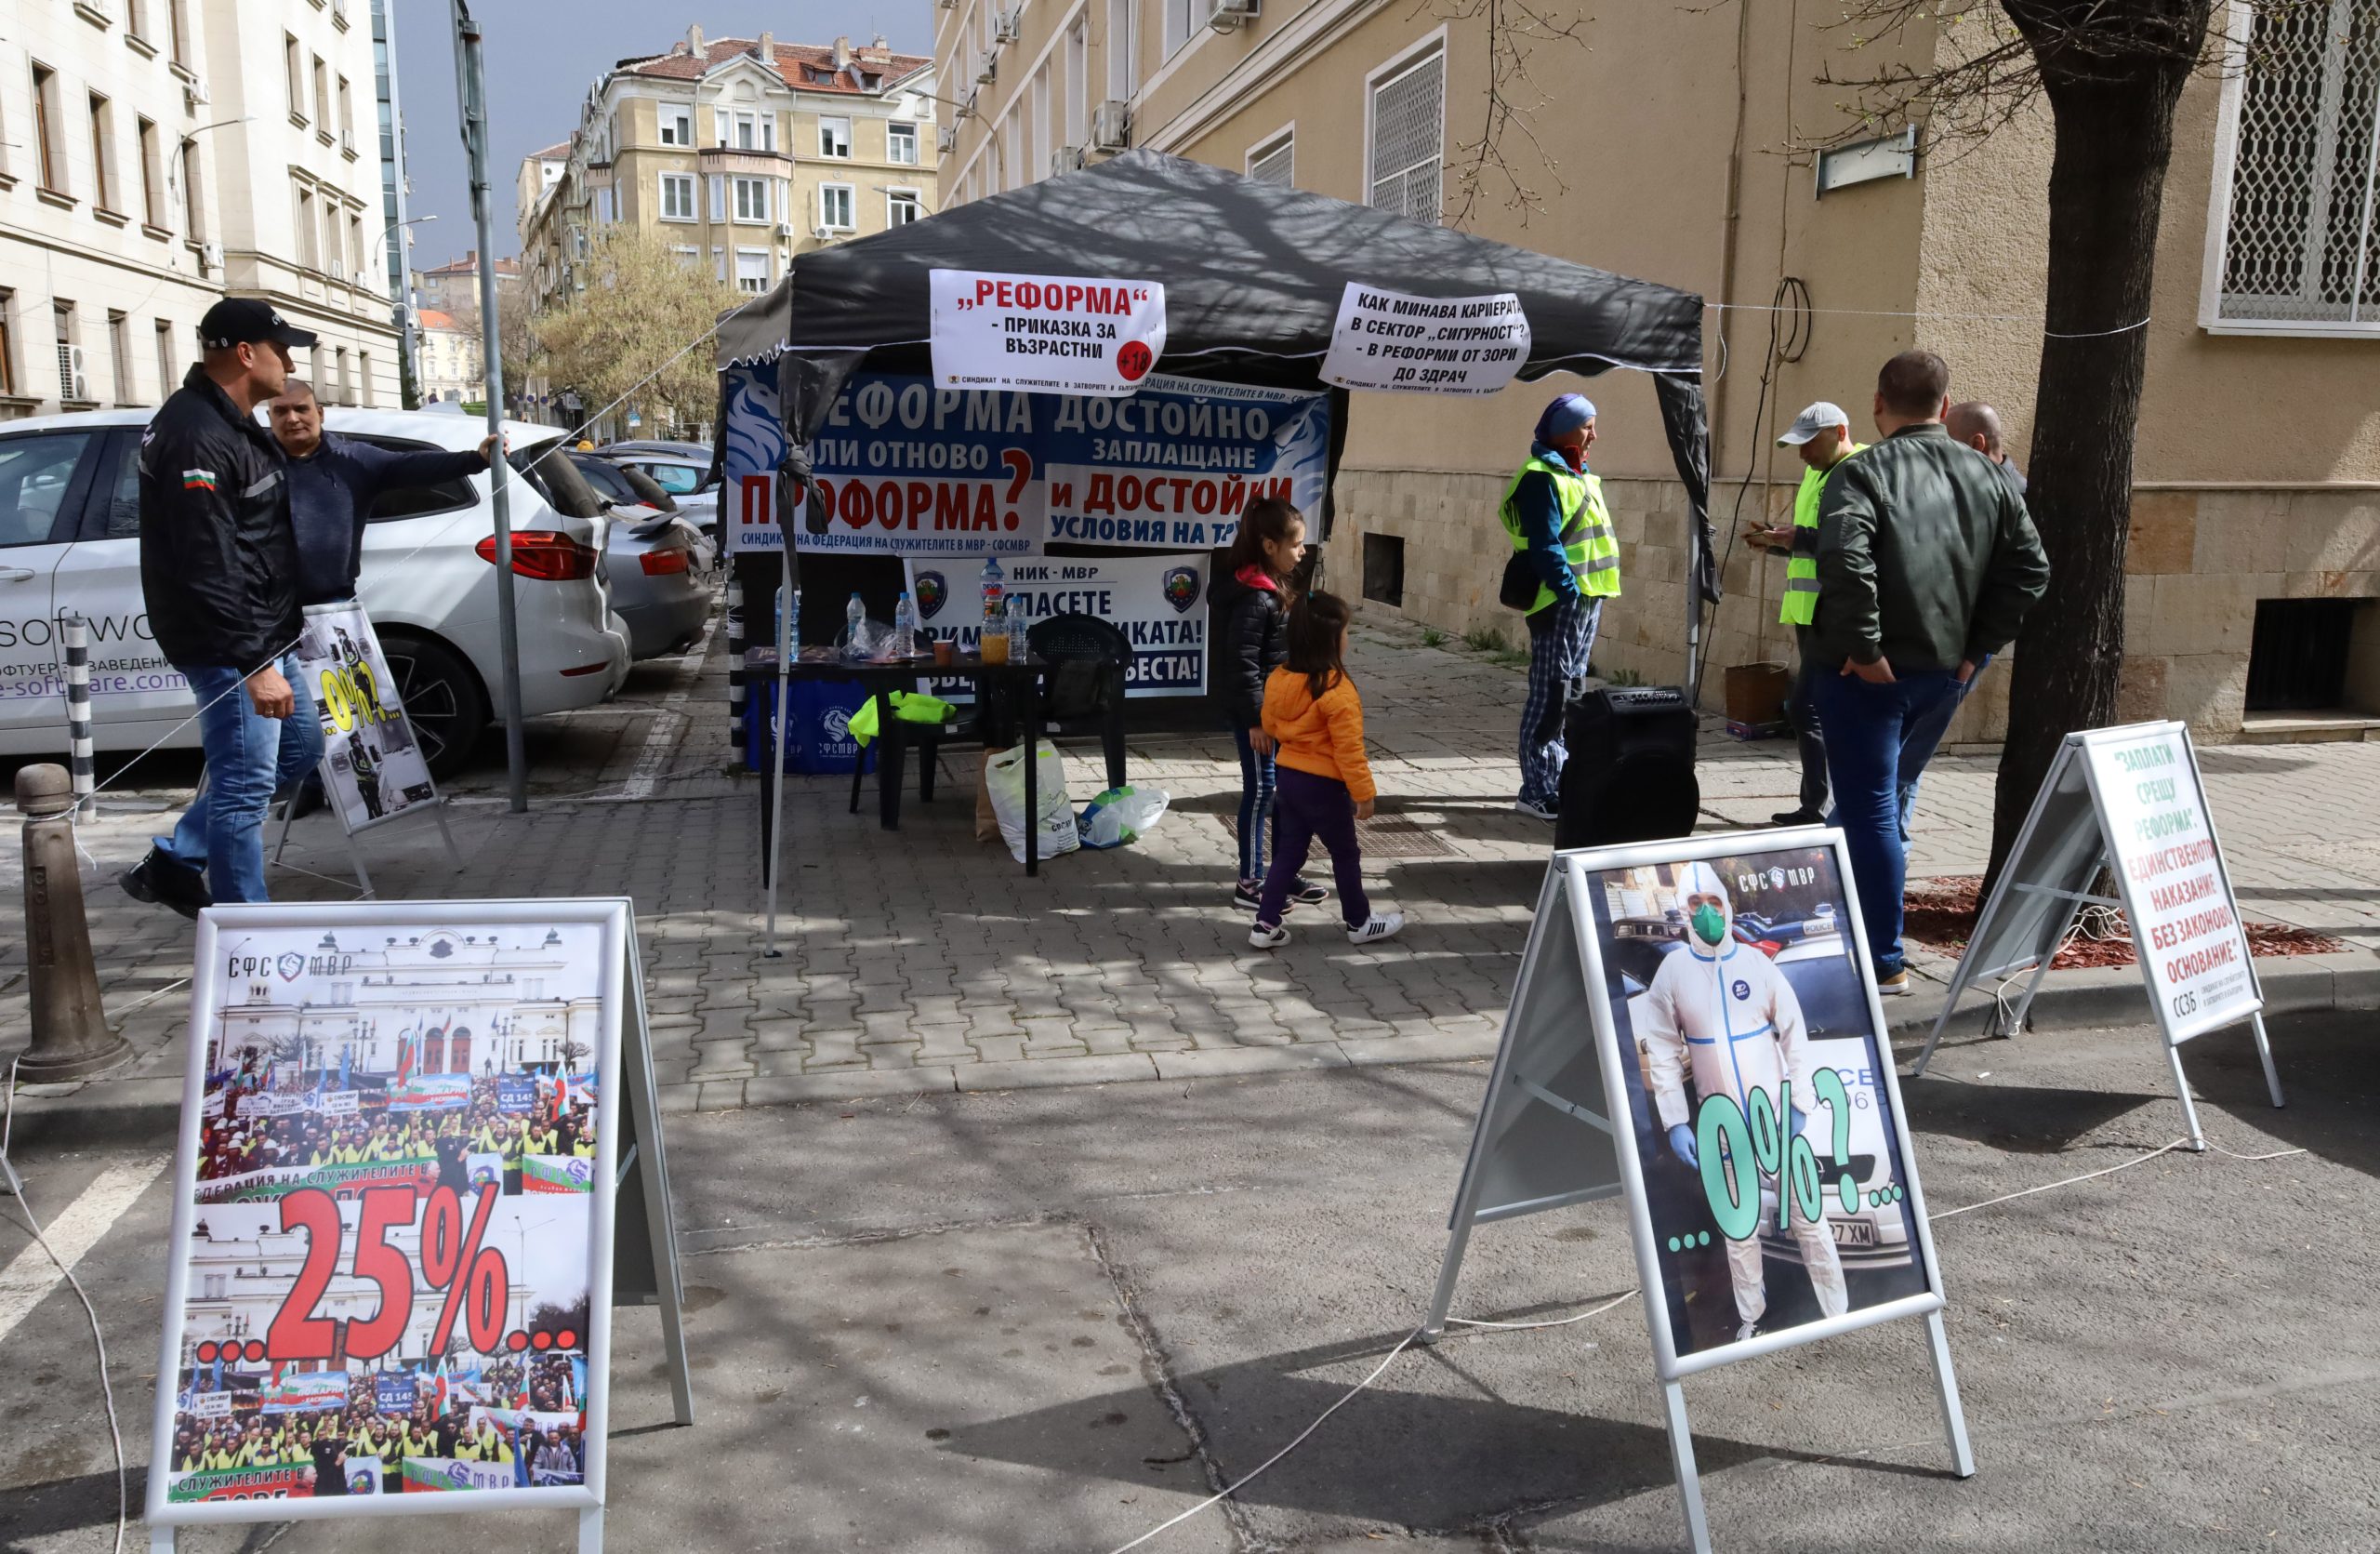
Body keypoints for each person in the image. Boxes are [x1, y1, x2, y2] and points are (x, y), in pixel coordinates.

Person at [1814, 352, 2049, 991]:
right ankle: (1841, 927)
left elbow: (1845, 561)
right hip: (1940, 672)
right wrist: (1974, 649)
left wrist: (1865, 650)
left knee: (1870, 809)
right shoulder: (1985, 473)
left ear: (1877, 404)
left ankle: (1881, 959)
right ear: (1944, 408)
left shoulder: (1861, 472)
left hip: (1869, 676)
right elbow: (2030, 569)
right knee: (1882, 803)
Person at [120, 299, 321, 914]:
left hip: (263, 633)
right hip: (230, 644)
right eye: (282, 350)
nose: (290, 363)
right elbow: (208, 561)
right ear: (246, 353)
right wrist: (252, 663)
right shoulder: (195, 434)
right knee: (244, 785)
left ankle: (175, 861)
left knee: (300, 748)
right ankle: (245, 932)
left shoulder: (229, 420)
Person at [1638, 862, 1848, 1342]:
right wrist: (1676, 1121)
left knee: (1809, 1218)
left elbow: (1794, 1034)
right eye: (1695, 904)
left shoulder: (1757, 965)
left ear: (1727, 906)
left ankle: (1837, 1309)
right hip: (1722, 1128)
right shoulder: (1674, 972)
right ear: (1684, 910)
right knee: (1740, 1231)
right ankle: (1752, 1317)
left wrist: (1800, 1102)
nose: (1706, 913)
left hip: (1774, 1118)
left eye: (1714, 903)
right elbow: (1664, 1049)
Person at [1249, 591, 1405, 949]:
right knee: (1345, 854)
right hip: (1324, 787)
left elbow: (1269, 724)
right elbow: (1349, 751)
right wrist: (1364, 794)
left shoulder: (1279, 678)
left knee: (1289, 853)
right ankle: (1359, 922)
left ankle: (1265, 924)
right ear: (1332, 640)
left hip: (1288, 778)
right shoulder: (1338, 690)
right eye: (1346, 631)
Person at [1500, 393, 1619, 821]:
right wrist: (1567, 590)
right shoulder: (1540, 477)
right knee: (1551, 693)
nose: (1594, 436)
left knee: (1571, 693)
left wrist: (1586, 594)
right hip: (1560, 600)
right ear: (1564, 430)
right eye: (1587, 427)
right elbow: (1545, 543)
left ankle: (1558, 779)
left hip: (1587, 598)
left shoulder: (1580, 476)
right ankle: (1536, 790)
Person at [1748, 402, 1865, 826]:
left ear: (1840, 431)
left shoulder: (1858, 470)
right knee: (1813, 708)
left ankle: (1824, 808)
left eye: (1809, 443)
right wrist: (1780, 542)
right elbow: (1818, 543)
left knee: (1810, 708)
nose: (1802, 454)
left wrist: (1797, 538)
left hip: (1834, 614)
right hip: (1809, 612)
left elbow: (1850, 544)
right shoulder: (1818, 472)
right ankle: (1821, 806)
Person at [1210, 496, 1328, 913]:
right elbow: (1242, 666)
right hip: (1259, 719)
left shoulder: (1270, 589)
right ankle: (1250, 883)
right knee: (1261, 792)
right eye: (1295, 544)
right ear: (1269, 546)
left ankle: (1282, 874)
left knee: (1285, 795)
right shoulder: (1253, 598)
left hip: (1281, 715)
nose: (1303, 552)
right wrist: (1256, 721)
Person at [1945, 400, 2025, 495]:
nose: (1939, 450)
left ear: (1977, 444)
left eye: (1946, 443)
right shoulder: (1969, 485)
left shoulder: (2021, 496)